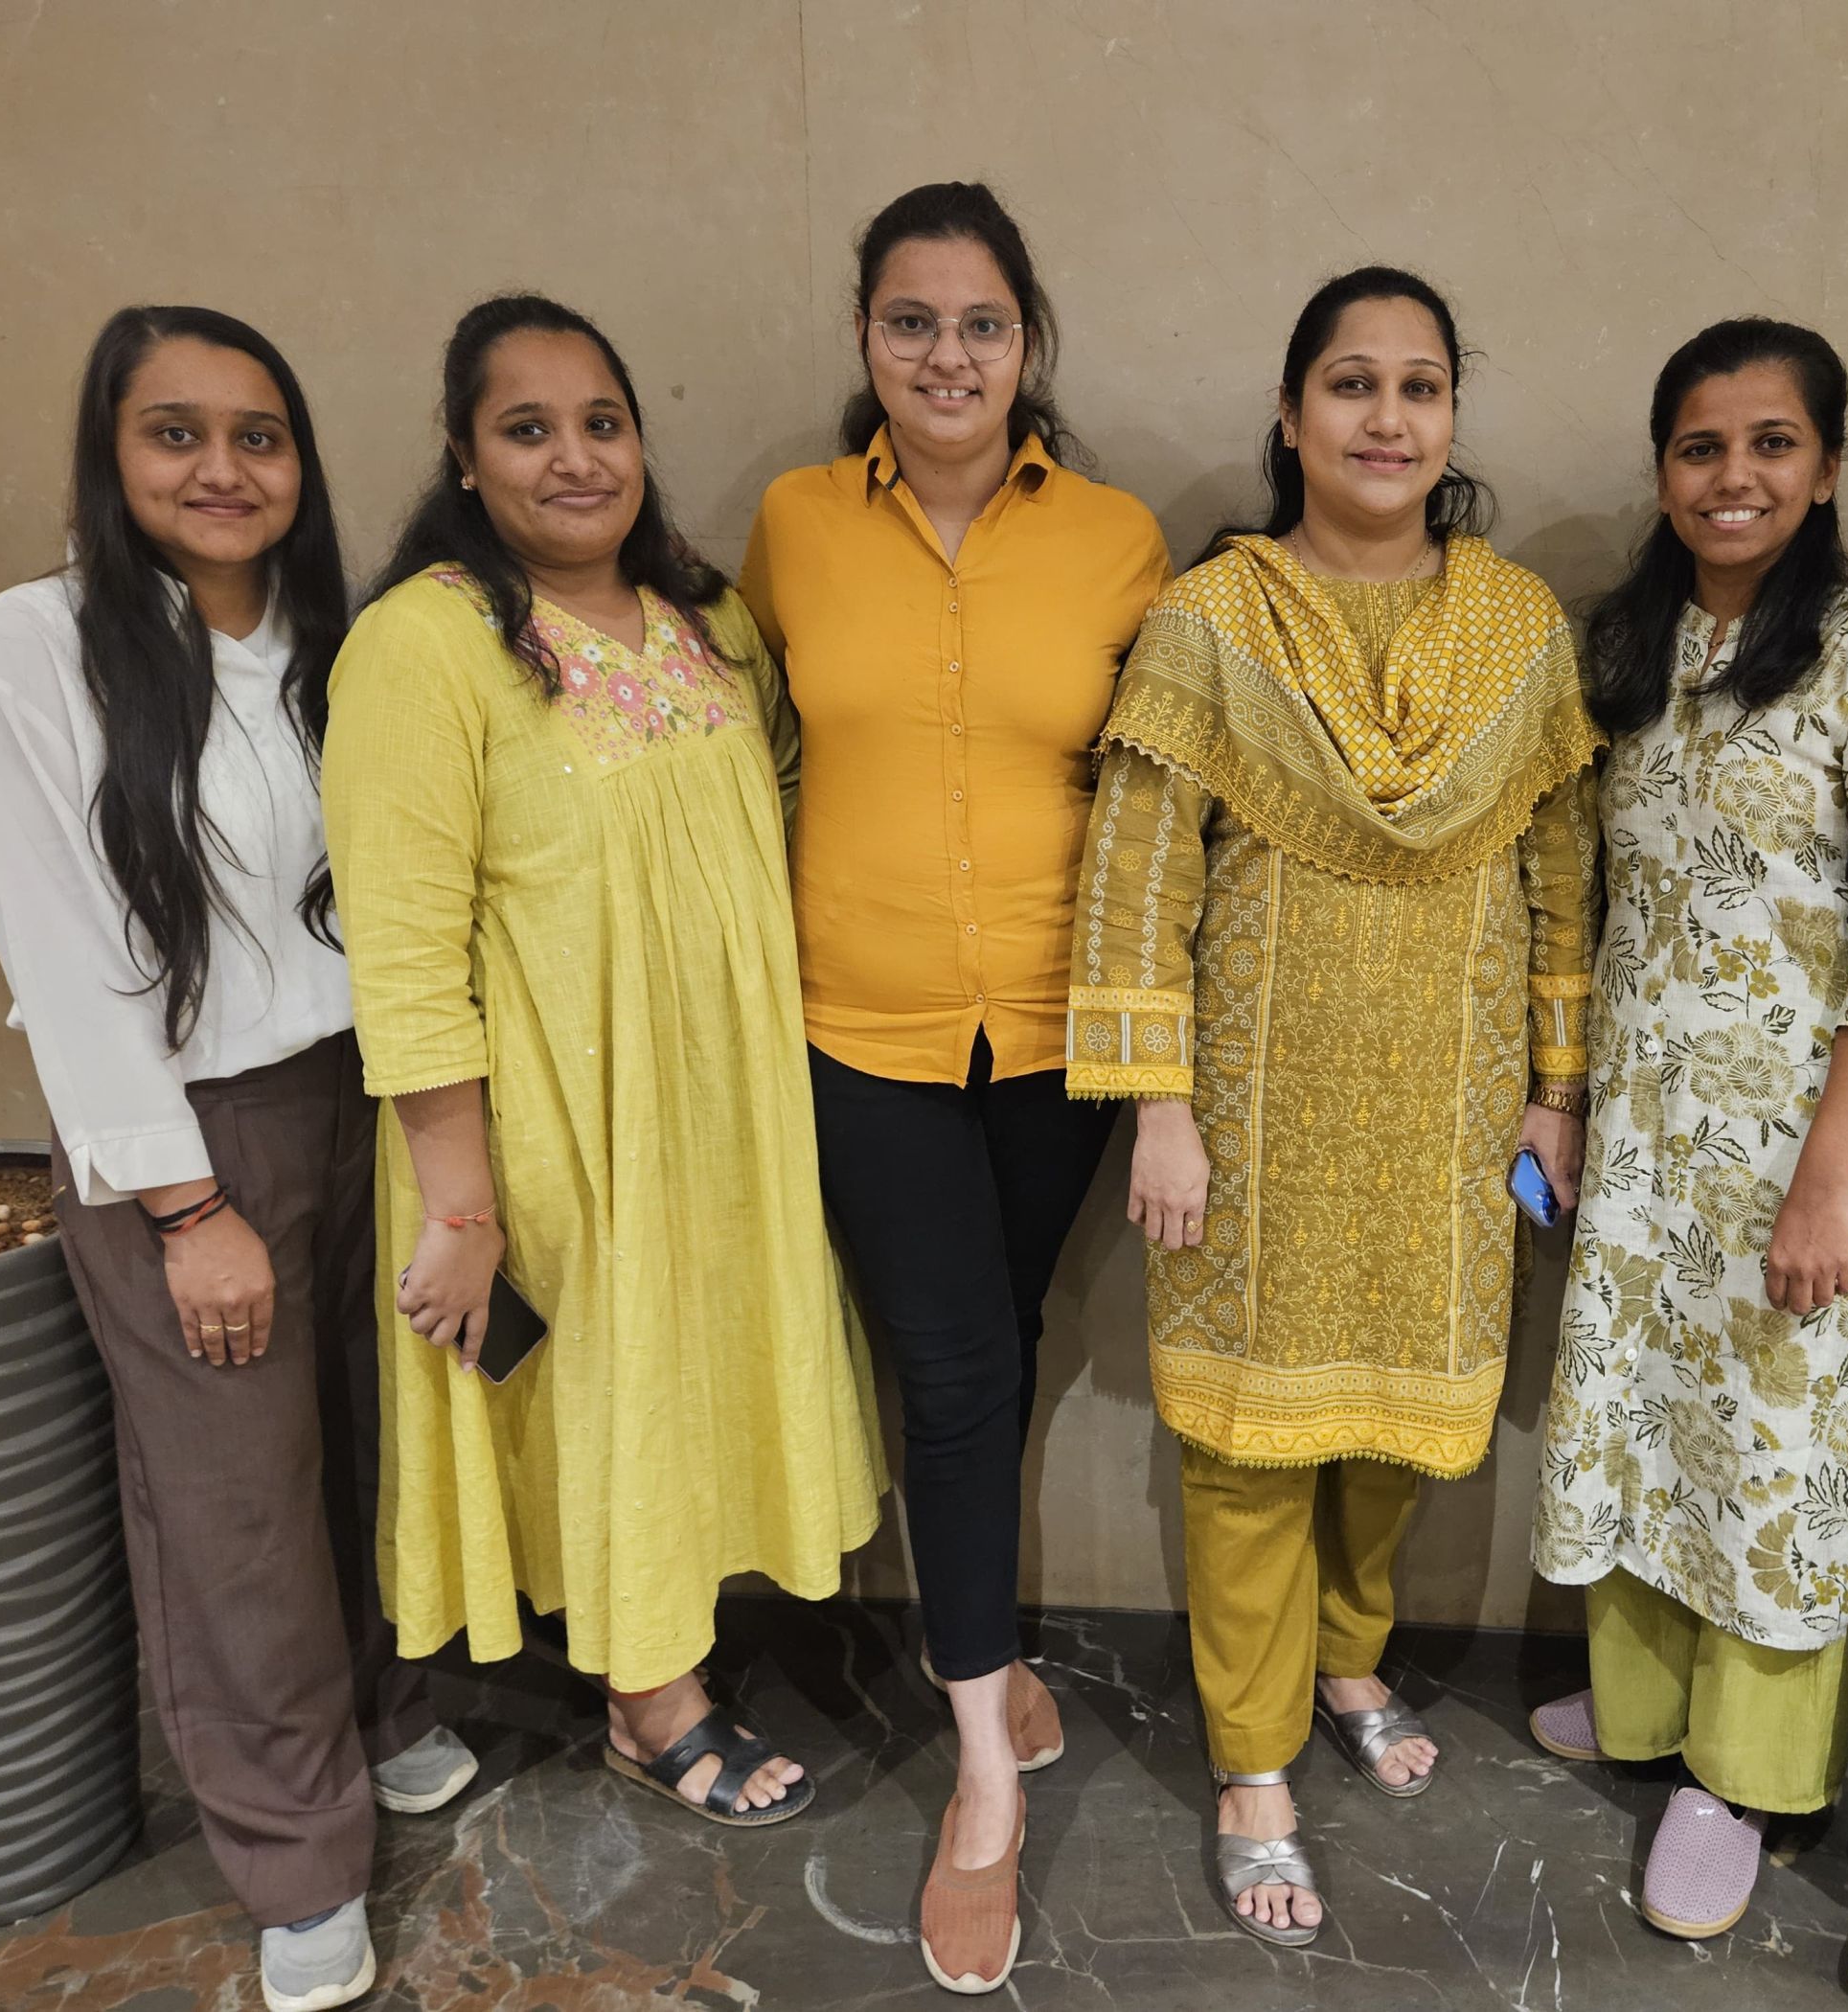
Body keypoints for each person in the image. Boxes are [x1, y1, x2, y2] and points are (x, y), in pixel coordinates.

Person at [0, 306, 475, 2012]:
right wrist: (186, 1206)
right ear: (110, 455)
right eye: (175, 433)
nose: (222, 469)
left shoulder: (342, 642)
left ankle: (383, 1712)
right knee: (233, 1506)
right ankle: (296, 1855)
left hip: (363, 1097)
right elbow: (58, 948)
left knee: (368, 1443)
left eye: (259, 435)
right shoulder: (41, 649)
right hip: (195, 1138)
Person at [1065, 266, 1602, 1947]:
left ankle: (1349, 1662)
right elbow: (1138, 876)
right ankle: (1251, 1762)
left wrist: (1558, 1090)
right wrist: (1158, 1106)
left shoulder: (1519, 628)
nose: (1388, 418)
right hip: (1256, 1108)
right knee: (1245, 1442)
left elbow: (1565, 875)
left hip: (1451, 1108)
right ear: (1292, 415)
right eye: (1352, 384)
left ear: (1452, 419)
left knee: (1397, 1428)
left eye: (1420, 386)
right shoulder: (1215, 622)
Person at [321, 296, 882, 1843]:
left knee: (689, 1373)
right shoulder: (424, 645)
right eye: (528, 429)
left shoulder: (710, 620)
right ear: (462, 455)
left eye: (602, 423)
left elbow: (782, 806)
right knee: (606, 1392)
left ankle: (673, 1648)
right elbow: (403, 949)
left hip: (723, 1107)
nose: (575, 459)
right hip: (558, 1127)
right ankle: (652, 1705)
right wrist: (461, 1205)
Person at [737, 181, 1170, 1997]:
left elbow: (1158, 803)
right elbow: (748, 750)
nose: (946, 356)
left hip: (1061, 1042)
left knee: (991, 1349)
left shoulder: (1121, 541)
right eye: (910, 322)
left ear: (1027, 341)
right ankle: (985, 1768)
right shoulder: (792, 526)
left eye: (981, 324)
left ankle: (978, 1656)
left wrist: (1167, 1061)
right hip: (862, 1034)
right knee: (961, 1367)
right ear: (865, 334)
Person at [1525, 318, 1848, 1941]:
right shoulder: (1625, 651)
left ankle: (1744, 1775)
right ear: (1663, 470)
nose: (1735, 476)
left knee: (1776, 1454)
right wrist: (1568, 1101)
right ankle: (1648, 1718)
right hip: (1649, 1138)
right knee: (1647, 1424)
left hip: (1799, 1145)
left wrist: (1826, 1186)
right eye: (1702, 446)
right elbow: (1585, 894)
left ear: (1828, 467)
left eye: (1773, 443)